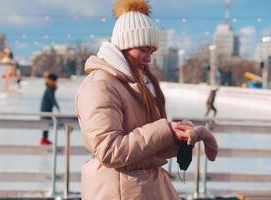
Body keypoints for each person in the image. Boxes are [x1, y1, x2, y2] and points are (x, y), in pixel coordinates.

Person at [75, 0, 218, 199]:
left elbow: (144, 147)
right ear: (125, 45)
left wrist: (178, 137)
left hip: (143, 187)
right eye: (143, 49)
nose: (149, 58)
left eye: (152, 51)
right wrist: (165, 131)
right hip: (119, 191)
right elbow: (108, 150)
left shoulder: (138, 84)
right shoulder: (100, 86)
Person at [40, 73, 60, 145]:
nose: (56, 82)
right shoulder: (50, 88)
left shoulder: (50, 87)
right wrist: (57, 107)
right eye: (55, 81)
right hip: (46, 109)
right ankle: (44, 139)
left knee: (47, 123)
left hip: (47, 108)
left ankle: (45, 138)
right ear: (52, 80)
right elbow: (52, 99)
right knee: (46, 123)